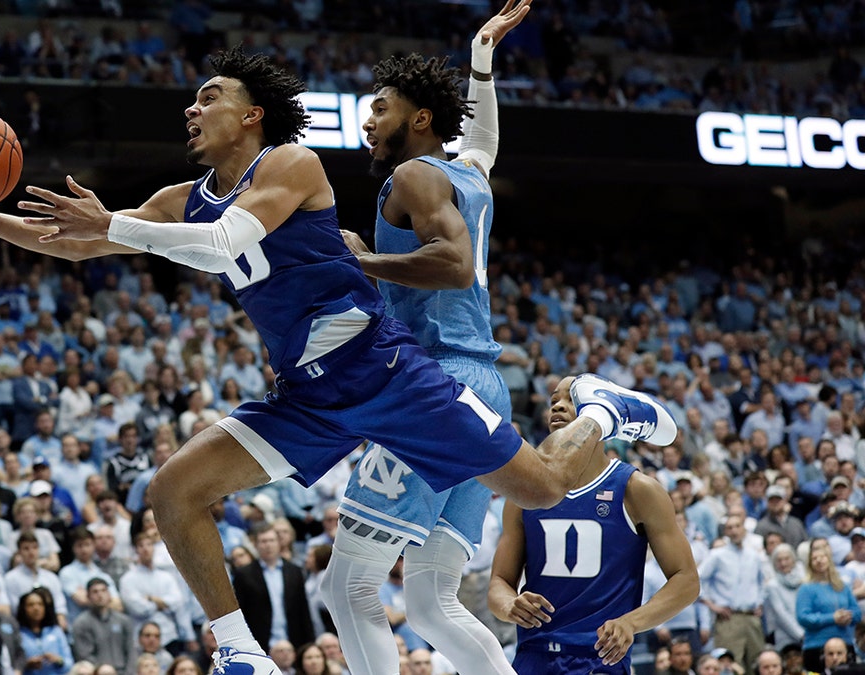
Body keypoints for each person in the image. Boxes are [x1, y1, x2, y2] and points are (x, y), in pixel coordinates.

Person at [0, 42, 678, 672]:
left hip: (385, 373)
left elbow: (221, 244)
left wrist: (115, 225)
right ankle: (239, 651)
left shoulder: (292, 165)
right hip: (308, 395)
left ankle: (604, 410)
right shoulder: (185, 197)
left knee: (543, 489)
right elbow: (75, 241)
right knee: (173, 490)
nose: (192, 107)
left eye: (208, 95)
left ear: (250, 115)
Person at [319, 5, 530, 673]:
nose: (368, 118)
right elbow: (486, 140)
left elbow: (452, 263)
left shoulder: (410, 176)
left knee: (347, 585)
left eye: (380, 106)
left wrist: (360, 263)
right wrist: (481, 61)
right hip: (485, 389)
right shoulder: (470, 173)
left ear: (418, 119)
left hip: (432, 387)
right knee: (434, 598)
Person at [490, 376, 699, 674]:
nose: (558, 407)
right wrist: (510, 605)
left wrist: (631, 622)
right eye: (553, 402)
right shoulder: (524, 493)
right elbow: (499, 582)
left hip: (600, 659)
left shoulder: (638, 489)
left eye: (571, 399)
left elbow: (687, 580)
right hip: (534, 655)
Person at [698, 513, 767, 669]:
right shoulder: (717, 555)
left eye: (737, 526)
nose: (734, 531)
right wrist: (712, 605)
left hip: (751, 618)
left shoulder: (754, 556)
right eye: (730, 528)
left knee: (757, 665)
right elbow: (698, 579)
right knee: (728, 665)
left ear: (744, 529)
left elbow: (761, 583)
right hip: (729, 618)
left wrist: (760, 602)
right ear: (726, 532)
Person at [796, 547, 859, 671]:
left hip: (844, 644)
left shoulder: (842, 586)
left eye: (822, 557)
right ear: (810, 563)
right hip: (817, 645)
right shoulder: (806, 588)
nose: (819, 561)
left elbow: (856, 612)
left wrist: (848, 616)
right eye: (814, 558)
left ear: (829, 560)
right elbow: (803, 617)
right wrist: (832, 618)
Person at [72, 578, 135, 672]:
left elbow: (131, 651)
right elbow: (84, 655)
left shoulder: (123, 621)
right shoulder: (81, 623)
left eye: (104, 590)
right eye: (95, 592)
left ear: (109, 594)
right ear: (88, 596)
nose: (100, 595)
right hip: (96, 672)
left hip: (123, 671)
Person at [16, 587, 73, 675]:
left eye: (40, 604)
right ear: (23, 608)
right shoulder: (18, 634)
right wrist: (26, 664)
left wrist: (58, 660)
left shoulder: (56, 631)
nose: (36, 608)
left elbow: (69, 663)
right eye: (31, 605)